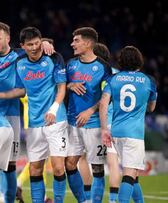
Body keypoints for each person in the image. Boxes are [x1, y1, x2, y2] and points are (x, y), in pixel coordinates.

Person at [0, 22, 54, 203]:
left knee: (10, 165)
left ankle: (8, 200)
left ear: (7, 38)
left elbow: (35, 47)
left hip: (11, 114)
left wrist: (46, 43)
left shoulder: (18, 55)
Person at [0, 27, 68, 203]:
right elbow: (20, 90)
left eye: (37, 43)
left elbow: (62, 87)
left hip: (56, 119)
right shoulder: (19, 63)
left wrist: (54, 108)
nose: (35, 47)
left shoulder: (54, 57)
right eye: (30, 44)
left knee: (58, 168)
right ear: (22, 46)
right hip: (34, 123)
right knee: (35, 169)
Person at [99, 46, 157, 203]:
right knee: (129, 174)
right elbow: (151, 108)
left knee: (133, 175)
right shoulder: (148, 81)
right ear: (139, 60)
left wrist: (104, 129)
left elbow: (103, 104)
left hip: (115, 132)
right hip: (134, 134)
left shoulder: (113, 79)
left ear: (121, 61)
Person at [65, 27, 112, 203]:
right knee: (69, 164)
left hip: (93, 124)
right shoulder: (70, 64)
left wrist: (90, 110)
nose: (72, 44)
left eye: (76, 40)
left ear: (88, 43)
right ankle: (83, 201)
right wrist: (70, 85)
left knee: (97, 167)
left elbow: (108, 97)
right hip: (72, 122)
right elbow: (60, 86)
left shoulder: (103, 67)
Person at [78, 42, 121, 202]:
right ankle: (113, 199)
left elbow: (99, 100)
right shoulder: (117, 75)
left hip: (98, 123)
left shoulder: (96, 73)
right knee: (113, 163)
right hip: (118, 124)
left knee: (95, 167)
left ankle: (90, 198)